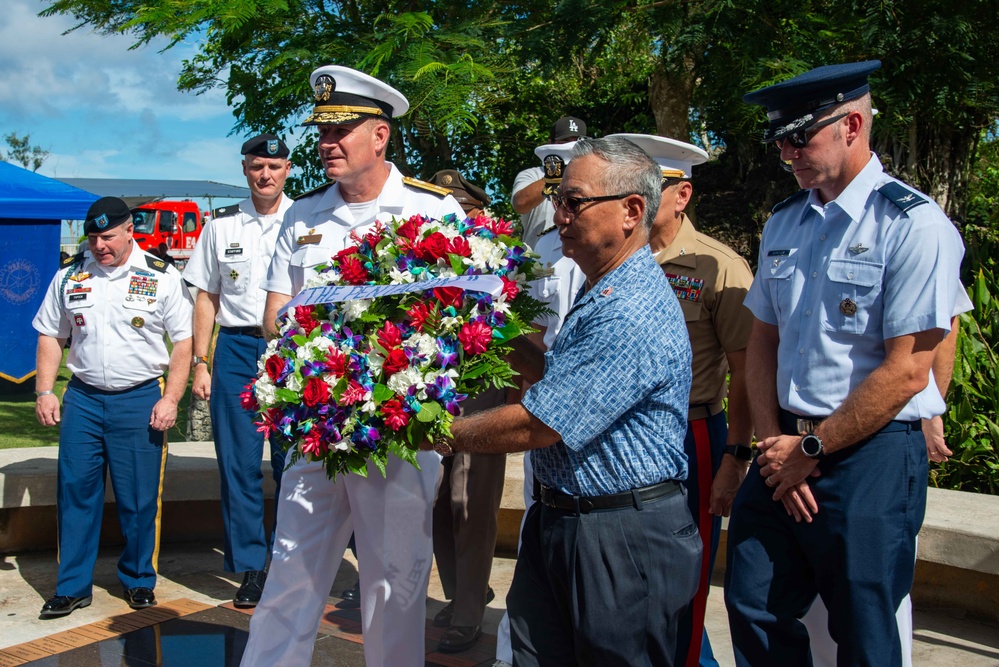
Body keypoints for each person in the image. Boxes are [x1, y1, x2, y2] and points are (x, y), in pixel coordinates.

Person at [724, 61, 972, 665]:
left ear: (852, 124)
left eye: (798, 138)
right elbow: (763, 340)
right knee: (753, 604)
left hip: (871, 457)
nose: (787, 154)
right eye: (778, 142)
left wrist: (814, 452)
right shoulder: (785, 222)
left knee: (864, 630)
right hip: (786, 444)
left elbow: (909, 368)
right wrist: (779, 440)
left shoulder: (913, 225)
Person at [425, 136, 702, 666]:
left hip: (619, 539)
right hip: (568, 521)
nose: (559, 214)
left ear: (631, 211)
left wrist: (434, 433)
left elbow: (539, 424)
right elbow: (563, 382)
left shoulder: (630, 307)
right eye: (558, 201)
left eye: (573, 201)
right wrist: (492, 324)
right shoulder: (603, 289)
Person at [240, 65, 465, 667]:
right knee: (291, 566)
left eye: (341, 131)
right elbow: (274, 317)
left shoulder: (432, 210)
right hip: (318, 430)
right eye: (321, 132)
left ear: (381, 135)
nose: (325, 144)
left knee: (396, 582)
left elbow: (462, 322)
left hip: (398, 431)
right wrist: (321, 363)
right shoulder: (303, 215)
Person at [608, 132, 755, 667]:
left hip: (691, 435)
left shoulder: (719, 267)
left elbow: (747, 372)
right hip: (621, 438)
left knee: (685, 575)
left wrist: (736, 459)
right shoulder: (616, 257)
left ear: (682, 194)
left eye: (655, 186)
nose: (639, 196)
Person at [32, 196, 193, 618]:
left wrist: (171, 397)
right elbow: (51, 334)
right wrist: (45, 390)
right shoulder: (69, 276)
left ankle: (139, 579)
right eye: (93, 237)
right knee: (75, 494)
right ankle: (71, 586)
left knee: (139, 499)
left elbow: (183, 341)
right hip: (83, 398)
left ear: (129, 231)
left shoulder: (160, 276)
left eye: (107, 237)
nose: (99, 245)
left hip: (140, 398)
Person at [182, 133, 294, 607]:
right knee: (239, 466)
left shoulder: (306, 219)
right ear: (243, 169)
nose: (265, 175)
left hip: (294, 354)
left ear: (288, 170)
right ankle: (251, 567)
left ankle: (292, 562)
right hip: (234, 352)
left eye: (273, 166)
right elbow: (205, 297)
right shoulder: (220, 226)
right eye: (256, 166)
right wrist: (200, 362)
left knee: (294, 463)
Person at [492, 141, 585, 667]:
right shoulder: (542, 252)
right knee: (536, 524)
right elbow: (529, 329)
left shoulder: (616, 255)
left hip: (595, 415)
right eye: (560, 197)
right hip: (543, 407)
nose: (565, 210)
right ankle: (516, 647)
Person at [425, 168, 507, 653]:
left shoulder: (497, 259)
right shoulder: (419, 257)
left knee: (469, 500)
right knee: (434, 500)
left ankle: (470, 610)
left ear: (478, 213)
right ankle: (460, 594)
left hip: (480, 384)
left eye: (463, 211)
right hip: (429, 387)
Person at [511, 116, 587, 243]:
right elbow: (520, 204)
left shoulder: (591, 176)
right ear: (550, 142)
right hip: (537, 258)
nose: (571, 146)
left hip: (578, 258)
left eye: (576, 142)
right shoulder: (532, 174)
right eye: (565, 141)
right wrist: (556, 174)